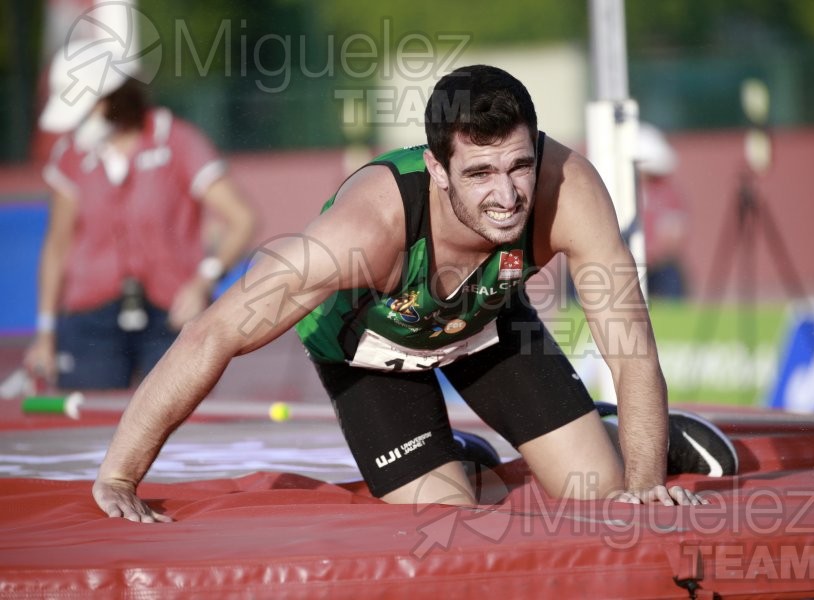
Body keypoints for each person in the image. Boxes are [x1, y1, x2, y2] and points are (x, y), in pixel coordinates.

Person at [92, 65, 737, 522]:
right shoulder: (364, 232)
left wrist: (644, 484)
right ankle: (460, 462)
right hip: (369, 351)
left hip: (485, 320)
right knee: (447, 522)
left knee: (601, 494)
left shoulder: (569, 191)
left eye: (519, 165)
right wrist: (121, 474)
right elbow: (213, 333)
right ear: (437, 168)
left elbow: (629, 347)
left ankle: (618, 433)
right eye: (479, 173)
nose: (506, 195)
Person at [23, 40, 257, 390]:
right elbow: (57, 247)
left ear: (113, 97)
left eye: (87, 108)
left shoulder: (175, 140)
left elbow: (242, 219)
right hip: (90, 319)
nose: (78, 123)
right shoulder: (70, 156)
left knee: (172, 414)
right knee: (91, 420)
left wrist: (203, 281)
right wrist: (45, 331)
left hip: (171, 316)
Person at [635, 123, 688, 299]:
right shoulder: (613, 190)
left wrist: (650, 255)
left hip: (657, 268)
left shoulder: (666, 192)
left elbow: (674, 234)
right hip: (619, 264)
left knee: (671, 276)